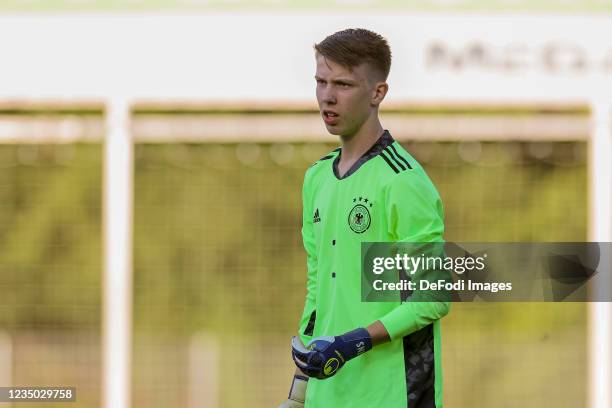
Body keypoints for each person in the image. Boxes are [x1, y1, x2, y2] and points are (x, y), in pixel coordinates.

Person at [278, 28, 449, 408]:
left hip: (391, 395)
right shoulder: (316, 179)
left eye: (343, 84)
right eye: (321, 82)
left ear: (377, 93)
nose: (327, 96)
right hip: (327, 396)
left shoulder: (403, 182)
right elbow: (318, 294)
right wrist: (299, 393)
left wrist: (353, 342)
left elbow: (432, 298)